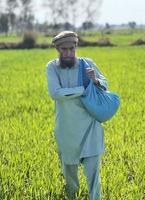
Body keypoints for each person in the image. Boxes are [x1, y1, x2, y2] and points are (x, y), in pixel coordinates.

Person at [46, 31, 108, 200]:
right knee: (71, 181)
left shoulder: (87, 64)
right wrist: (83, 90)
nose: (68, 53)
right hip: (67, 130)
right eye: (63, 49)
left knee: (94, 179)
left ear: (76, 47)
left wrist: (95, 81)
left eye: (71, 49)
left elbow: (105, 84)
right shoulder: (52, 67)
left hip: (90, 129)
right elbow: (55, 93)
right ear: (58, 49)